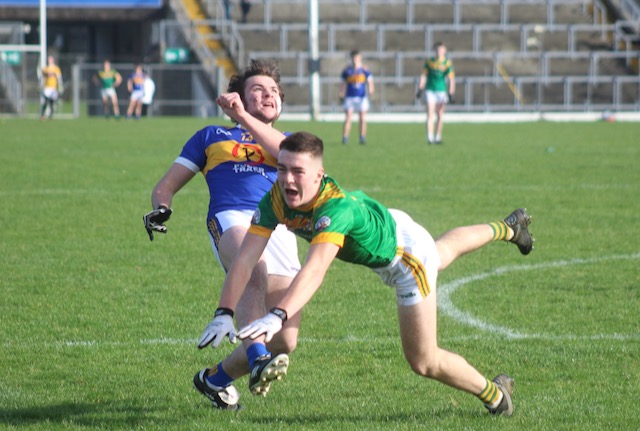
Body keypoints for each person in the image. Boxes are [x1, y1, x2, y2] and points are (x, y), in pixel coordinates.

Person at [207, 130, 536, 416]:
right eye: (281, 169)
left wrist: (278, 314)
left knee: (423, 360)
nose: (288, 179)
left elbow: (316, 268)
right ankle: (507, 228)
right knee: (444, 251)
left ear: (319, 175)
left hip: (406, 260)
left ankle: (496, 394)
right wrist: (224, 311)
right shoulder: (276, 198)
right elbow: (246, 260)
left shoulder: (334, 210)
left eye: (298, 171)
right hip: (390, 222)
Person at [143, 59, 302, 410]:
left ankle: (214, 379)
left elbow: (288, 158)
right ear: (239, 98)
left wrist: (245, 117)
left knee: (286, 340)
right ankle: (258, 359)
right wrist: (161, 207)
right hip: (232, 219)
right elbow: (165, 185)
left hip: (279, 228)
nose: (269, 95)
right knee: (253, 269)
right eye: (258, 90)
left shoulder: (289, 141)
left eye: (274, 91)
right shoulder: (211, 136)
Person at [416, 42, 455, 145]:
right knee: (430, 113)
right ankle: (430, 137)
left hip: (441, 91)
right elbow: (424, 75)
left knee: (440, 114)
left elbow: (451, 78)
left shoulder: (447, 63)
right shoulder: (430, 62)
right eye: (437, 50)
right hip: (430, 90)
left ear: (444, 51)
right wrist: (420, 88)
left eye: (441, 50)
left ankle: (438, 136)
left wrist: (451, 93)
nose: (439, 52)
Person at [339, 50, 374, 145]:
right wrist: (341, 93)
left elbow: (370, 81)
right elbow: (342, 83)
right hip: (349, 97)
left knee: (362, 118)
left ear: (360, 58)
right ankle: (345, 137)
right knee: (348, 117)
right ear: (351, 59)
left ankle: (362, 137)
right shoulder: (347, 70)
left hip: (361, 97)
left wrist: (371, 90)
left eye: (357, 58)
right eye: (354, 58)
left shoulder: (364, 70)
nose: (355, 60)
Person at [40, 55, 63, 120]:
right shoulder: (46, 69)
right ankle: (42, 114)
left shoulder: (56, 69)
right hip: (47, 87)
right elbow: (43, 78)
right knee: (46, 101)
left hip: (53, 88)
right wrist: (41, 85)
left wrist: (60, 85)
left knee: (52, 102)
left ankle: (51, 115)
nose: (49, 61)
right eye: (49, 59)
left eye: (50, 59)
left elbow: (59, 78)